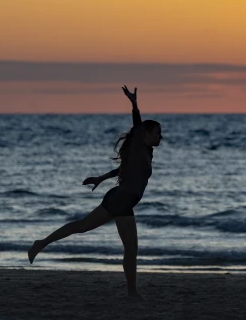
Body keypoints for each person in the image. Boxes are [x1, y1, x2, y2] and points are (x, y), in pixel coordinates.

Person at [28, 85, 162, 299]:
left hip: (121, 200)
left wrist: (100, 178)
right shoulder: (139, 141)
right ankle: (132, 293)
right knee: (130, 249)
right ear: (145, 134)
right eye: (157, 133)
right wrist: (134, 105)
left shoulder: (145, 152)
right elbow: (137, 126)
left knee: (83, 227)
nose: (160, 137)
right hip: (122, 201)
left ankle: (40, 244)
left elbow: (124, 169)